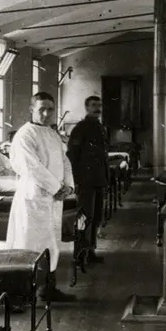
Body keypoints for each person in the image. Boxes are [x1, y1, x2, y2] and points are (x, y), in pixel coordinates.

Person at [7, 92, 77, 302]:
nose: (46, 113)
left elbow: (65, 161)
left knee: (51, 242)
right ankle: (21, 295)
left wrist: (69, 186)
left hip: (52, 199)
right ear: (32, 109)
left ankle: (48, 289)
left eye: (50, 109)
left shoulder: (52, 133)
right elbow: (32, 167)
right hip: (34, 198)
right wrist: (57, 187)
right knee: (29, 244)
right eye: (41, 109)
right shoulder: (25, 135)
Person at [67, 96, 110, 264]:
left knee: (97, 218)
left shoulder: (100, 127)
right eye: (94, 105)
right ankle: (80, 254)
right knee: (85, 219)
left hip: (99, 180)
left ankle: (90, 252)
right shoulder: (81, 128)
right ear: (86, 107)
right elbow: (72, 155)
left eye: (99, 105)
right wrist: (75, 181)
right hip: (86, 181)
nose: (97, 108)